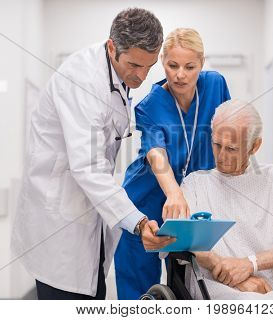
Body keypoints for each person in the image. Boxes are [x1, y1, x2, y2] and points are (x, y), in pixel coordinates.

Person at [11, 8, 174, 300]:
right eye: (134, 65)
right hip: (60, 220)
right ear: (112, 47)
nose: (141, 76)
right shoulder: (82, 83)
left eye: (149, 67)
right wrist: (137, 222)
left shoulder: (115, 74)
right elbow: (89, 166)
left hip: (89, 214)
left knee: (93, 294)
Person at [114, 28, 231, 299]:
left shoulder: (215, 85)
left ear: (201, 63)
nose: (180, 74)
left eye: (190, 67)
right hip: (147, 200)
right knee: (139, 291)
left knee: (185, 282)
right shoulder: (150, 105)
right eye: (172, 65)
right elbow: (156, 153)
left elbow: (227, 129)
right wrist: (174, 192)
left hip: (191, 201)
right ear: (162, 61)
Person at [180, 99, 273, 299]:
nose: (221, 156)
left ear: (254, 146)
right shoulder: (195, 184)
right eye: (217, 144)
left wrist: (251, 264)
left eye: (231, 149)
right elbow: (185, 241)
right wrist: (236, 277)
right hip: (218, 291)